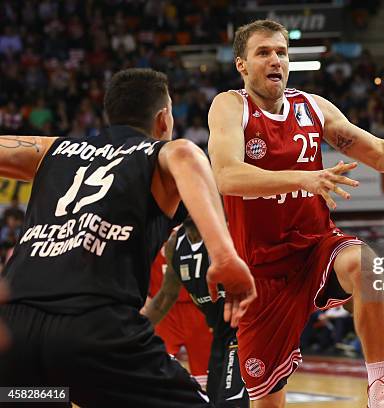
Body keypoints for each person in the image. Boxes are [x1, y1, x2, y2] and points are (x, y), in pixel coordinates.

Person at [207, 19, 384, 407]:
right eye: (263, 52)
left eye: (281, 52)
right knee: (267, 401)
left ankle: (381, 388)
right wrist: (305, 179)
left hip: (316, 246)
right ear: (242, 65)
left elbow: (381, 155)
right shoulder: (230, 106)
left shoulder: (313, 108)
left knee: (368, 268)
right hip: (262, 270)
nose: (275, 59)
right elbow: (226, 175)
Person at [0, 68, 256, 407]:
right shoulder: (159, 154)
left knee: (42, 399)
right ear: (164, 119)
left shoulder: (54, 150)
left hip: (14, 334)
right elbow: (185, 155)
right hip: (95, 332)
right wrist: (224, 255)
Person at [143, 215, 249, 408]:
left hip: (244, 330)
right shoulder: (175, 243)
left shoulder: (231, 231)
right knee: (214, 402)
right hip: (219, 335)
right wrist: (130, 332)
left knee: (231, 403)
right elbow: (165, 297)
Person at [146, 245, 213, 390]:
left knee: (206, 380)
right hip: (162, 308)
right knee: (154, 371)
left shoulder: (199, 226)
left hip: (197, 305)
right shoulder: (152, 227)